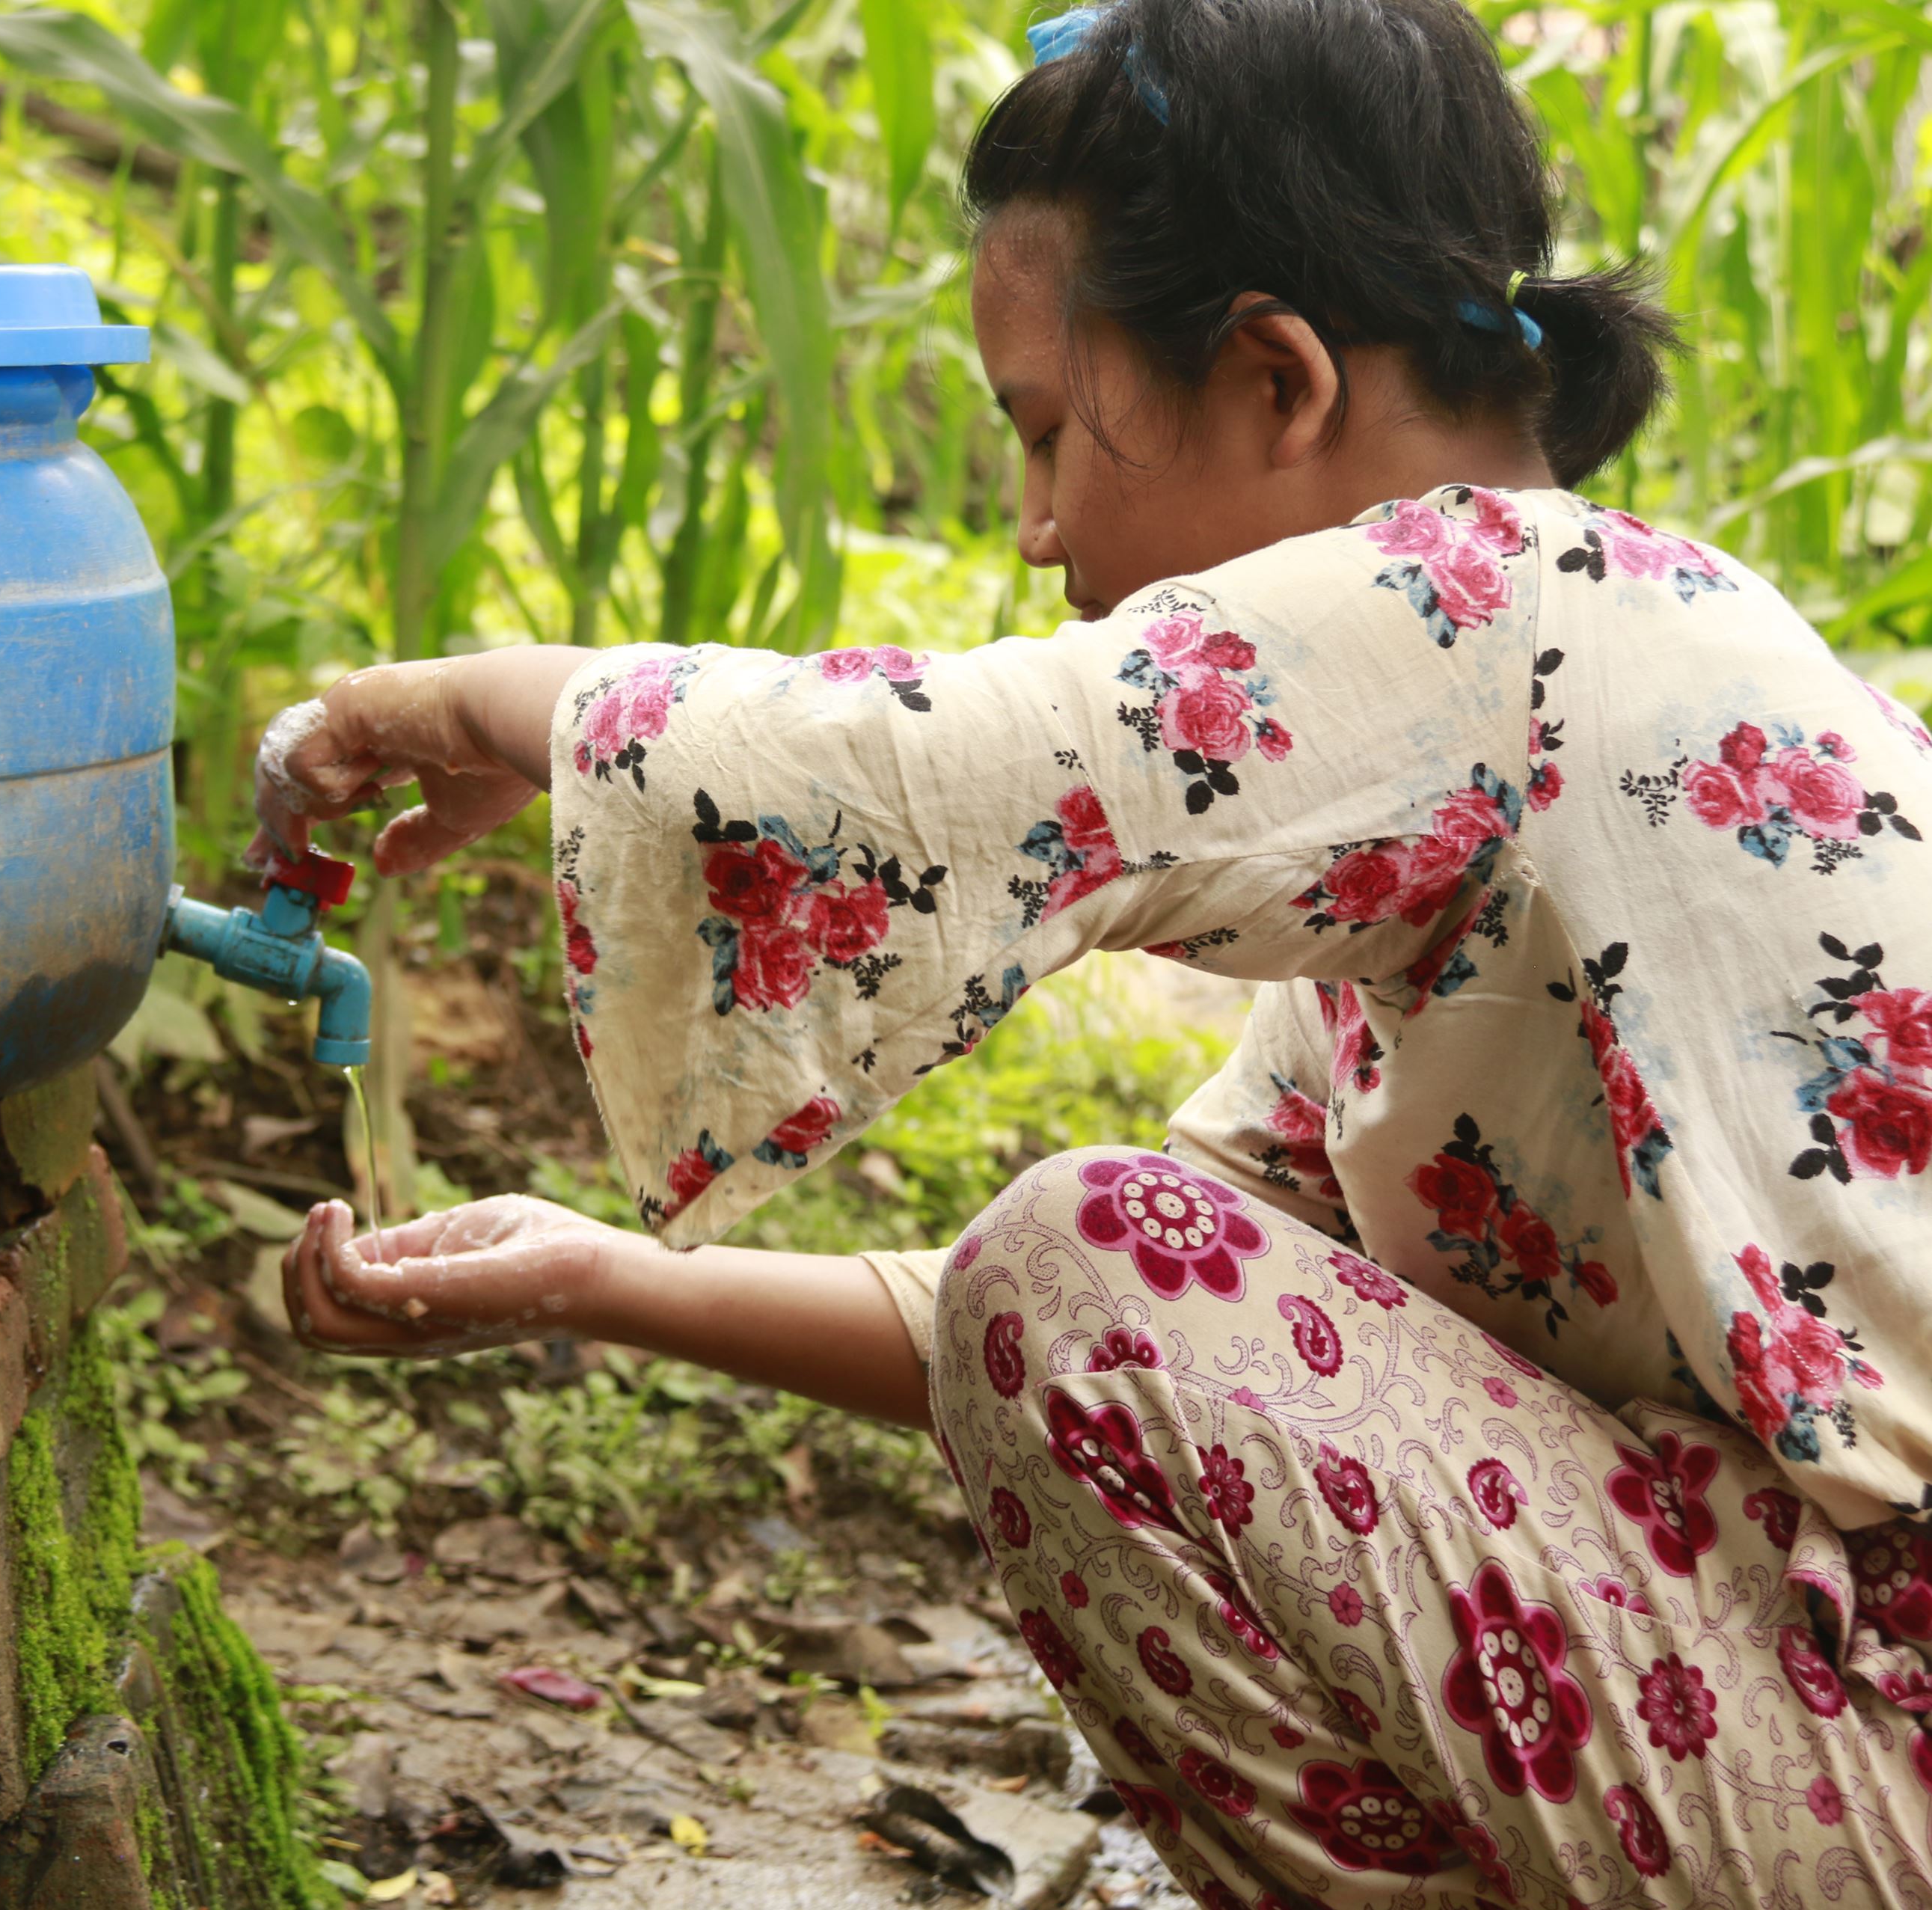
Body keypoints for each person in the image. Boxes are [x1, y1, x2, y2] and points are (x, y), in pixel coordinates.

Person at [257, 0, 1932, 1901]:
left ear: (1279, 382)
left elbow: (934, 776)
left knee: (1092, 1253)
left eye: (1053, 431)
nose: (1043, 527)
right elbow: (1118, 1327)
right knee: (1089, 1264)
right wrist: (595, 1280)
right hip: (1830, 1702)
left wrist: (456, 703)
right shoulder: (1522, 733)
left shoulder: (1493, 615)